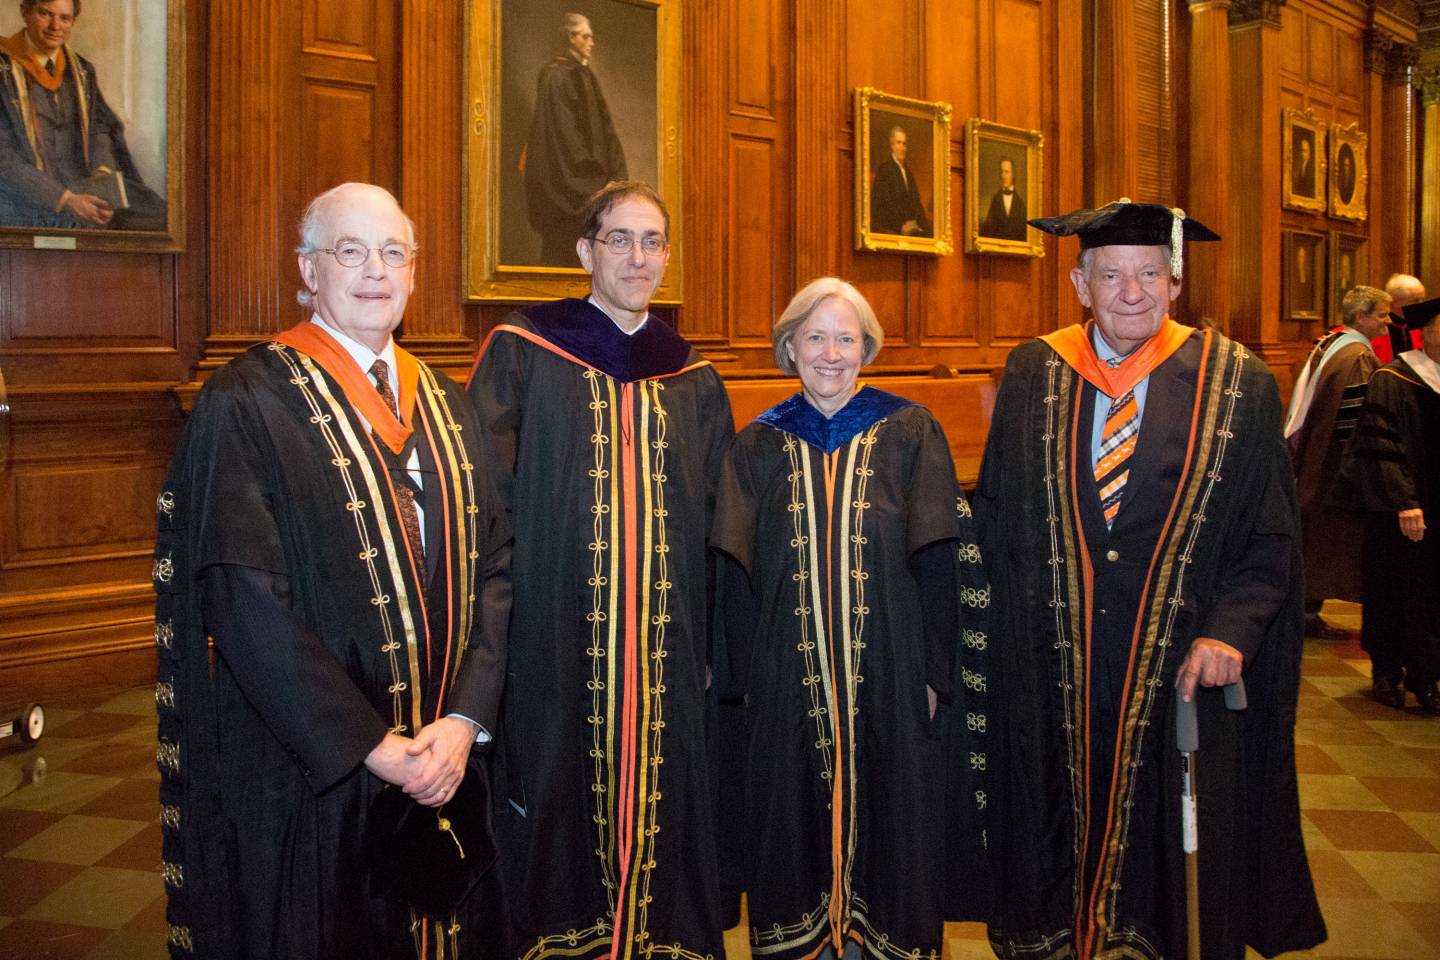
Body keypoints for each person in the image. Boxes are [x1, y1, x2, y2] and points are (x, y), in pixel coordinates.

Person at [153, 183, 512, 959]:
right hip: (315, 780)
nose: (375, 270)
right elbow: (243, 602)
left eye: (392, 253)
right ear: (308, 270)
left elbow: (496, 568)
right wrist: (372, 745)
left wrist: (464, 721)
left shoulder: (450, 405)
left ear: (413, 272)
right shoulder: (248, 402)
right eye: (350, 251)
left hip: (448, 760)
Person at [977, 200, 1325, 959]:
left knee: (1172, 853)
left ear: (1175, 282)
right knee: (1050, 832)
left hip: (1177, 669)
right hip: (1055, 669)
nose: (1130, 292)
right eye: (1110, 275)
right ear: (1080, 284)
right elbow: (998, 511)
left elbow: (1271, 535)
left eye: (1148, 274)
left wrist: (1231, 631)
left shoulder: (1238, 384)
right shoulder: (1036, 370)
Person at [467, 181, 732, 960]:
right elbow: (483, 498)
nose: (637, 257)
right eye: (620, 239)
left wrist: (713, 641)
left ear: (667, 257)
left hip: (665, 642)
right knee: (552, 788)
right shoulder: (524, 350)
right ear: (586, 251)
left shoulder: (691, 375)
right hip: (551, 631)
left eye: (652, 241)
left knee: (665, 788)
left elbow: (719, 518)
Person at [710, 278, 990, 960]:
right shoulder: (758, 445)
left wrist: (936, 671)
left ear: (866, 348)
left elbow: (939, 561)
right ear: (789, 348)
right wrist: (743, 682)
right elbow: (733, 576)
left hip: (891, 670)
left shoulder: (910, 432)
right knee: (790, 812)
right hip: (787, 675)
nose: (831, 354)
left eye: (846, 338)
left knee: (892, 814)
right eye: (815, 338)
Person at [1342, 297, 1440, 714]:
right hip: (1400, 512)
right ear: (1427, 333)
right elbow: (1379, 445)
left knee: (1431, 595)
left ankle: (1426, 675)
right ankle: (1387, 672)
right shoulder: (1393, 378)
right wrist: (1404, 502)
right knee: (1395, 589)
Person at [1283, 285, 1390, 643]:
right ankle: (1305, 614)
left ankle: (1304, 612)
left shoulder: (1331, 343)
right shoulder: (1357, 356)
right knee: (1325, 542)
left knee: (1313, 538)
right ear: (1361, 316)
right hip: (1334, 465)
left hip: (1316, 457)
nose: (1387, 323)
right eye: (1381, 315)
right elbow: (1355, 421)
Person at [0, 0, 165, 229]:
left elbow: (100, 127)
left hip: (85, 189)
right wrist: (64, 199)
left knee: (162, 220)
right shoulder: (4, 70)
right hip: (29, 196)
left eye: (64, 18)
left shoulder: (82, 71)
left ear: (73, 21)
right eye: (45, 14)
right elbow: (3, 156)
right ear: (25, 12)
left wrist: (102, 177)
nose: (55, 26)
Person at [522, 12, 627, 266]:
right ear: (571, 37)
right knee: (566, 250)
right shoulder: (555, 75)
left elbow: (604, 130)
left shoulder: (584, 74)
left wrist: (613, 171)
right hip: (568, 182)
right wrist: (590, 175)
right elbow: (563, 135)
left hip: (591, 178)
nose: (592, 42)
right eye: (586, 37)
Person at [869, 124, 930, 237]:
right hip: (893, 227)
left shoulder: (909, 173)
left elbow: (917, 203)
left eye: (904, 143)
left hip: (912, 226)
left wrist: (922, 224)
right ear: (892, 145)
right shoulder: (884, 170)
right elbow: (881, 206)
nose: (902, 148)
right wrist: (899, 226)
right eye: (898, 143)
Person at [1375, 273, 1427, 364]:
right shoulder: (1376, 327)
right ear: (1393, 302)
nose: (1421, 304)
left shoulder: (1426, 324)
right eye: (1415, 300)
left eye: (1422, 299)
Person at [980, 156, 1027, 240]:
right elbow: (988, 229)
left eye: (1006, 172)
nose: (1003, 176)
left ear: (1013, 174)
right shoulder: (995, 200)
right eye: (1001, 172)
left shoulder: (1020, 203)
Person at [1293, 131, 1314, 197]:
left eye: (1305, 151)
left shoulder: (1312, 167)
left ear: (1309, 152)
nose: (1302, 154)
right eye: (1301, 151)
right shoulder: (1300, 165)